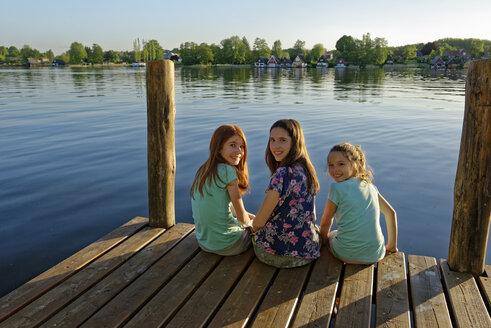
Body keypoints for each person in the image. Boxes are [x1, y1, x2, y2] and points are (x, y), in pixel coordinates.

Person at [252, 119, 321, 268]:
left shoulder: (281, 173)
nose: (275, 146)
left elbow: (259, 223)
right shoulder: (308, 171)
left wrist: (251, 226)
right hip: (306, 253)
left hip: (273, 255)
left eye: (282, 140)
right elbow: (311, 216)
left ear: (295, 142)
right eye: (272, 140)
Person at [320, 142, 398, 264]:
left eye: (341, 164)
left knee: (331, 234)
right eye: (331, 165)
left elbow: (326, 221)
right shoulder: (370, 186)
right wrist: (392, 246)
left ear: (355, 164)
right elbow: (391, 213)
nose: (335, 170)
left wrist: (323, 242)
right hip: (376, 254)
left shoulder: (336, 188)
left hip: (347, 254)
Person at [190, 125, 254, 256]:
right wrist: (253, 224)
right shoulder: (228, 171)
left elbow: (219, 205)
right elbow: (242, 219)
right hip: (229, 245)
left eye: (241, 146)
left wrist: (247, 215)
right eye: (232, 145)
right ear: (219, 148)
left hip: (204, 243)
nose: (239, 151)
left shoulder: (204, 170)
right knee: (259, 230)